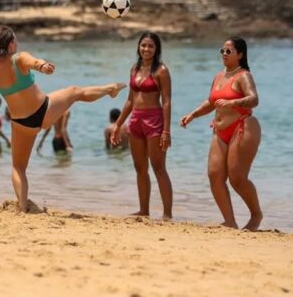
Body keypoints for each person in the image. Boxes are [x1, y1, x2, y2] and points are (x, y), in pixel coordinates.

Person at [0, 25, 125, 212]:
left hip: (21, 123)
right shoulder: (18, 58)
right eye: (15, 40)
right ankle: (110, 89)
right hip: (43, 111)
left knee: (18, 167)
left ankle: (22, 206)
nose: (17, 43)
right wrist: (43, 65)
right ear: (10, 44)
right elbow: (34, 61)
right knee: (75, 91)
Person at [180, 37, 263, 231]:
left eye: (229, 51)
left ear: (240, 54)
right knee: (215, 175)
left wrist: (233, 103)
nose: (224, 54)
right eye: (222, 51)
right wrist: (192, 115)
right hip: (219, 130)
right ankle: (230, 221)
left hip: (243, 126)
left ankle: (256, 215)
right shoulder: (219, 76)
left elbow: (254, 99)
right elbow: (212, 102)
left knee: (237, 178)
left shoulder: (243, 75)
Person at [110, 32, 173, 219]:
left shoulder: (161, 70)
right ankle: (144, 211)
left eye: (151, 46)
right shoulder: (134, 69)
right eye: (143, 45)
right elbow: (130, 100)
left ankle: (167, 214)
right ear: (139, 47)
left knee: (159, 167)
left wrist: (166, 131)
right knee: (140, 168)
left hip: (154, 120)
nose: (146, 49)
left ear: (157, 49)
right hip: (135, 120)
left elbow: (167, 101)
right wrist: (118, 125)